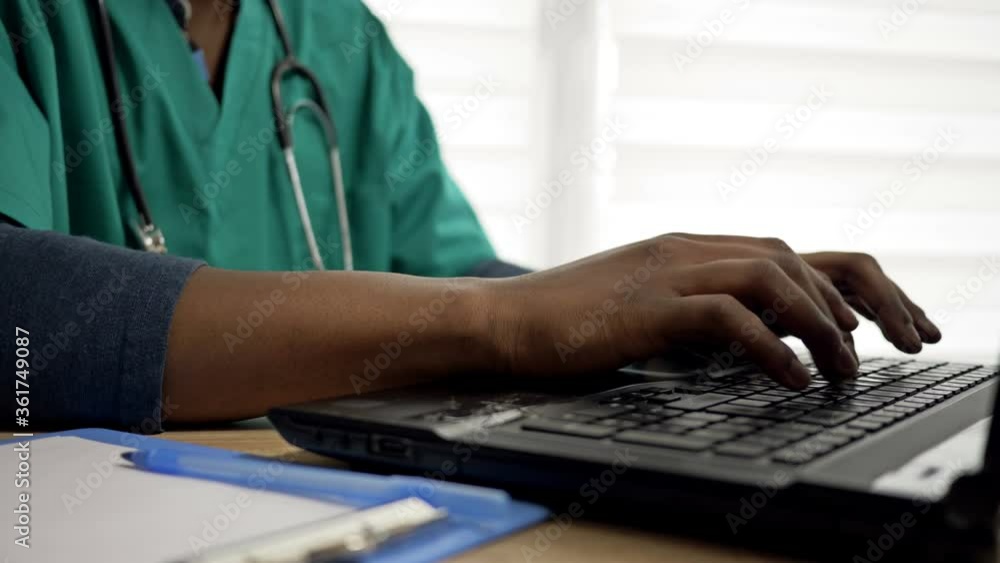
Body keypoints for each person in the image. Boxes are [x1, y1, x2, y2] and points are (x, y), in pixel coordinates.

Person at [0, 0, 940, 432]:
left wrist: (660, 320)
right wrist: (503, 319)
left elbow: (458, 275)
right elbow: (17, 311)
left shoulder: (339, 38)